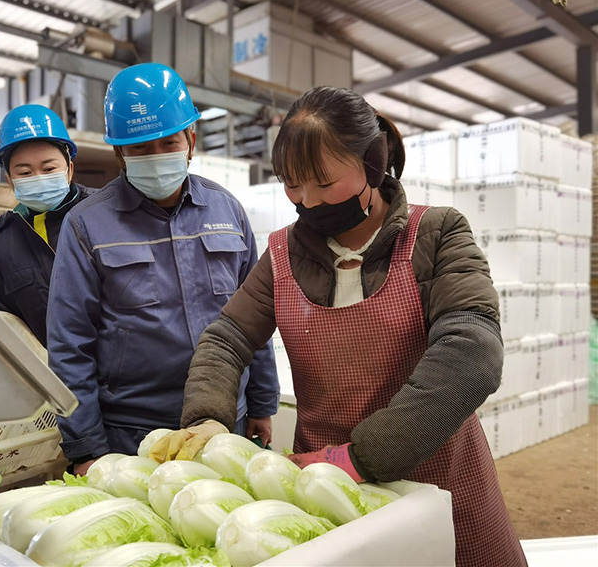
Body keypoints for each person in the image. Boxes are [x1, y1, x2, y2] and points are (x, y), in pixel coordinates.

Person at [150, 87, 527, 566]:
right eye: (290, 183)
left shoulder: (435, 234)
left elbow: (472, 352)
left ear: (371, 164)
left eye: (323, 183)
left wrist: (363, 457)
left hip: (437, 478)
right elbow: (227, 340)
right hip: (322, 490)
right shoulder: (283, 253)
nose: (306, 201)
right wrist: (207, 416)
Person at [47, 63, 280, 476]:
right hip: (133, 434)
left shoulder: (227, 210)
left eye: (167, 143)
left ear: (191, 139)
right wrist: (85, 448)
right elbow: (70, 345)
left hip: (225, 423)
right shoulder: (86, 225)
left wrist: (262, 402)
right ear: (119, 152)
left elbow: (254, 316)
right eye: (138, 149)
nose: (155, 158)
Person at [0, 104, 92, 346]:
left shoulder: (105, 213)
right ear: (10, 180)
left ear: (69, 170)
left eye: (49, 168)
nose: (39, 177)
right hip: (49, 378)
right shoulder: (0, 245)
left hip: (122, 378)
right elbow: (7, 327)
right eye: (25, 173)